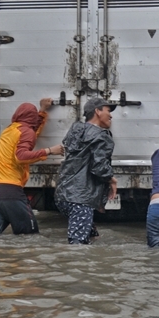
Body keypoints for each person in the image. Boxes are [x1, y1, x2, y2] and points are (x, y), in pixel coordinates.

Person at [0, 98, 64, 238]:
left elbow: (31, 132)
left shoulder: (9, 130)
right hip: (9, 191)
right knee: (29, 237)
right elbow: (21, 156)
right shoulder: (26, 132)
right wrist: (49, 151)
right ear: (32, 118)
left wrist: (42, 111)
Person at [54, 97, 117, 245]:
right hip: (80, 198)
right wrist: (111, 179)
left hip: (63, 195)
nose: (111, 115)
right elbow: (99, 167)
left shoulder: (75, 131)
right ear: (97, 111)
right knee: (78, 245)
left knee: (93, 237)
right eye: (108, 111)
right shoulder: (101, 137)